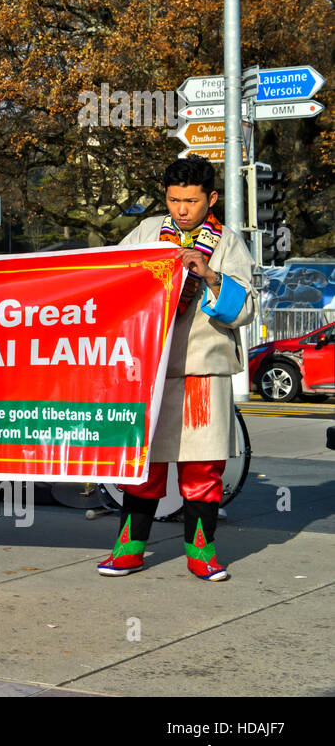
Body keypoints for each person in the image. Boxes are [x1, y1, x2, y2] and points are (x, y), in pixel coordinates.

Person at [98, 156, 257, 581]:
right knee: (144, 463)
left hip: (204, 370)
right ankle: (128, 549)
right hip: (151, 368)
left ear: (212, 199)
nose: (181, 209)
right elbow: (110, 278)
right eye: (173, 200)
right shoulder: (148, 233)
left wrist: (209, 276)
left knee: (202, 468)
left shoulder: (228, 243)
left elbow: (247, 309)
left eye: (190, 201)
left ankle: (201, 554)